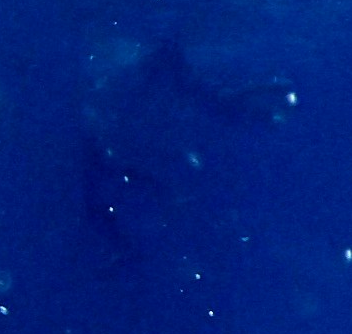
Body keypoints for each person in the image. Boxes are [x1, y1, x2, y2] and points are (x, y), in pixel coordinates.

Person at [82, 31, 294, 265]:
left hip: (195, 100)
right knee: (227, 105)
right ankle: (271, 107)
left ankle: (271, 104)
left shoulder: (155, 78)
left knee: (226, 104)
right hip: (197, 100)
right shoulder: (168, 80)